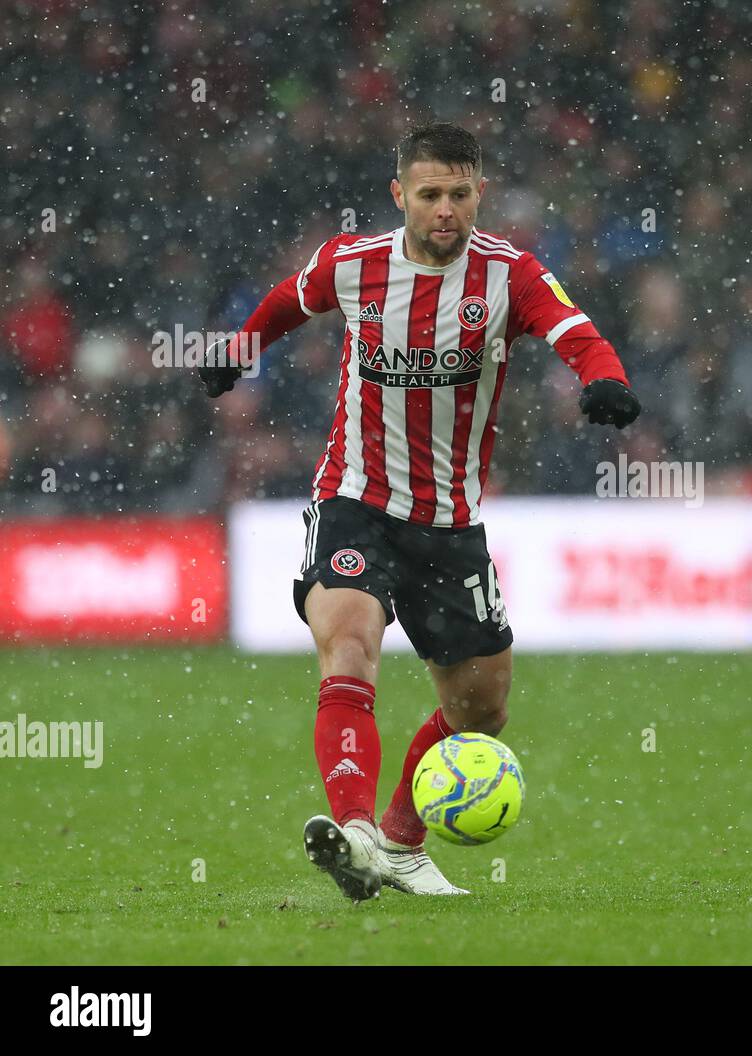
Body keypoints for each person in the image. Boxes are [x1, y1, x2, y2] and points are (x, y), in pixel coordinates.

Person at [200, 122, 639, 901]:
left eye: (459, 194)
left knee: (482, 708)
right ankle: (356, 831)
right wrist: (240, 349)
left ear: (480, 194)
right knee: (350, 643)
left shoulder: (510, 274)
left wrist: (601, 378)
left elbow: (577, 331)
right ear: (399, 194)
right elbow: (285, 302)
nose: (445, 210)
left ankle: (402, 840)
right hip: (354, 498)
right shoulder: (354, 264)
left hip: (450, 522)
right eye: (429, 194)